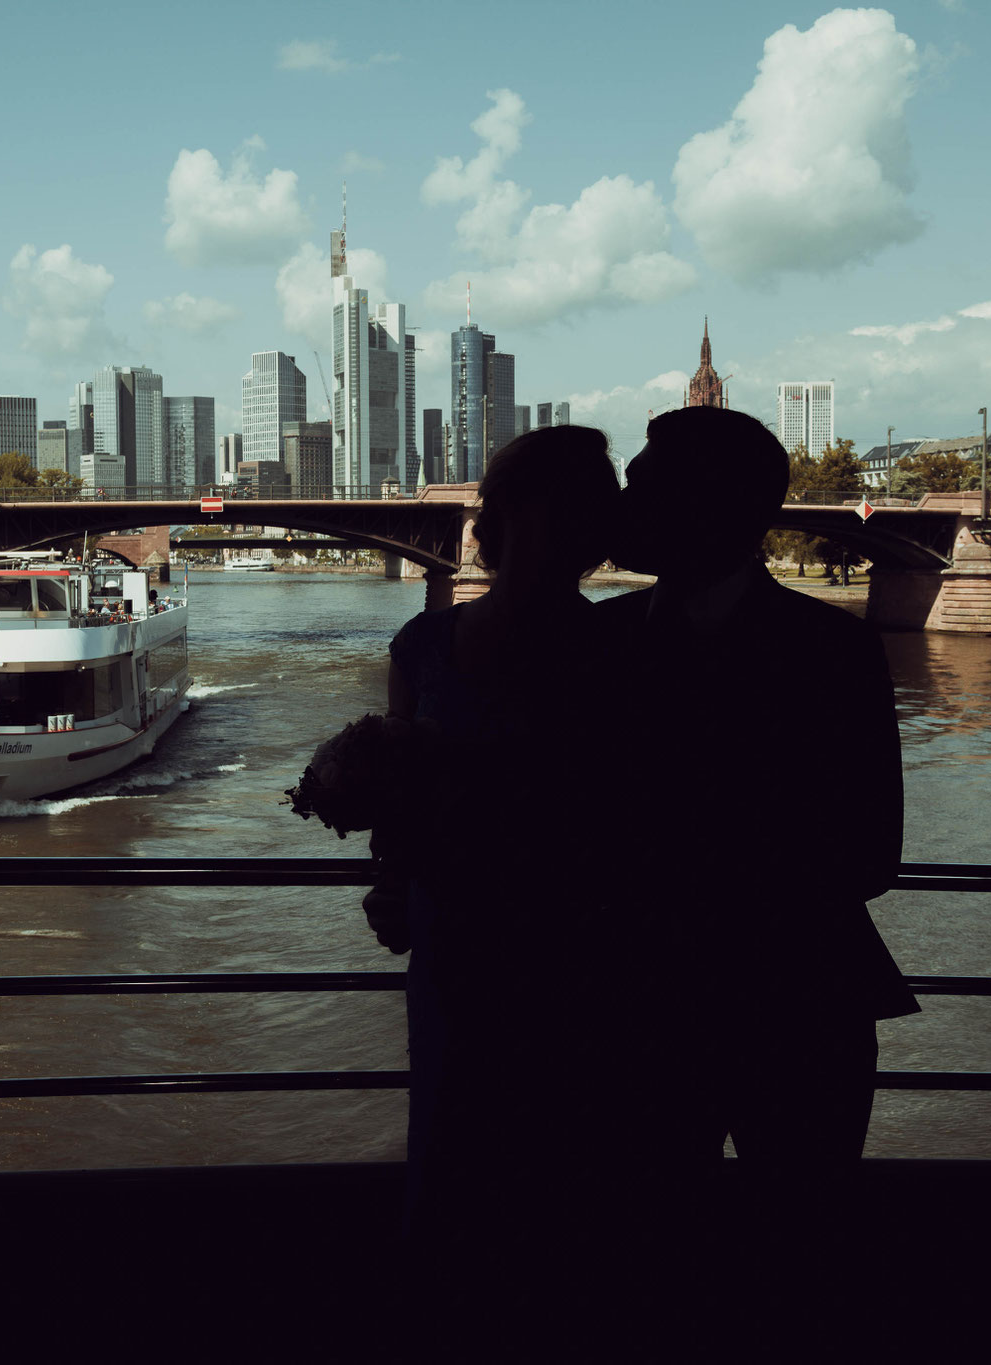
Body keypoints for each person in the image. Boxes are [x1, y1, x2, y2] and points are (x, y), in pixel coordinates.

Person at [596, 405, 917, 1336]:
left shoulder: (833, 650)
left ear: (712, 504)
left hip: (792, 1015)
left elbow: (873, 851)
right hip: (651, 1019)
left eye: (643, 484)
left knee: (802, 1260)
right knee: (648, 1264)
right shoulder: (596, 645)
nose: (625, 501)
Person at [377, 425, 626, 1348]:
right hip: (458, 950)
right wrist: (393, 881)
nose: (556, 538)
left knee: (559, 1172)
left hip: (582, 960)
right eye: (539, 516)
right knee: (452, 1157)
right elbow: (396, 804)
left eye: (576, 518)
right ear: (501, 525)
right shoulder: (422, 644)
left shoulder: (630, 653)